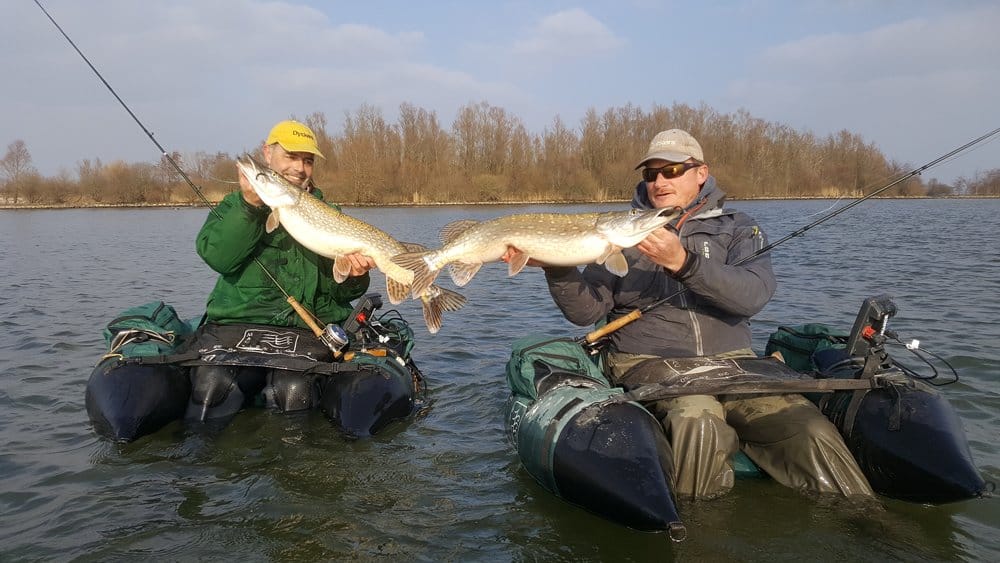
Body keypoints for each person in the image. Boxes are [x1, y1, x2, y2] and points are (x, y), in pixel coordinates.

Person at [508, 129, 874, 500]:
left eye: (672, 170)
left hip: (735, 364)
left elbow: (752, 296)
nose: (660, 181)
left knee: (810, 429)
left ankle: (866, 521)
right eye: (651, 174)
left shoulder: (738, 227)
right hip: (648, 362)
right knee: (697, 422)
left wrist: (683, 263)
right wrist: (557, 268)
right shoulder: (620, 232)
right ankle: (696, 536)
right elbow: (586, 313)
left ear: (701, 172)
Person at [187, 120, 375, 422]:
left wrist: (356, 276)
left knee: (294, 389)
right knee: (213, 386)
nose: (300, 168)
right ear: (268, 153)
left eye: (308, 160)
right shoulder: (234, 206)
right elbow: (218, 258)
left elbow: (337, 291)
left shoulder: (330, 214)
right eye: (291, 156)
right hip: (237, 326)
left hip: (304, 333)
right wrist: (250, 206)